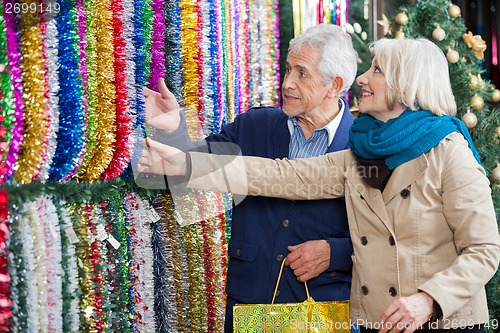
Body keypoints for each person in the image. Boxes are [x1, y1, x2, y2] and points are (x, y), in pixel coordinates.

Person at [140, 37, 500, 333]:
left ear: (405, 84)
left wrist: (428, 299)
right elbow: (280, 175)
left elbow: (484, 249)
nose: (362, 78)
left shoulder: (449, 152)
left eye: (376, 70)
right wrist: (184, 160)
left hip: (435, 322)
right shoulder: (364, 150)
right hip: (374, 321)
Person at [143, 24, 359, 332]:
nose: (287, 83)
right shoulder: (254, 125)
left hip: (323, 308)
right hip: (251, 304)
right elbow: (186, 171)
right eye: (287, 69)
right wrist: (172, 129)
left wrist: (335, 253)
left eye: (301, 73)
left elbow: (387, 240)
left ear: (334, 85)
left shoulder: (362, 145)